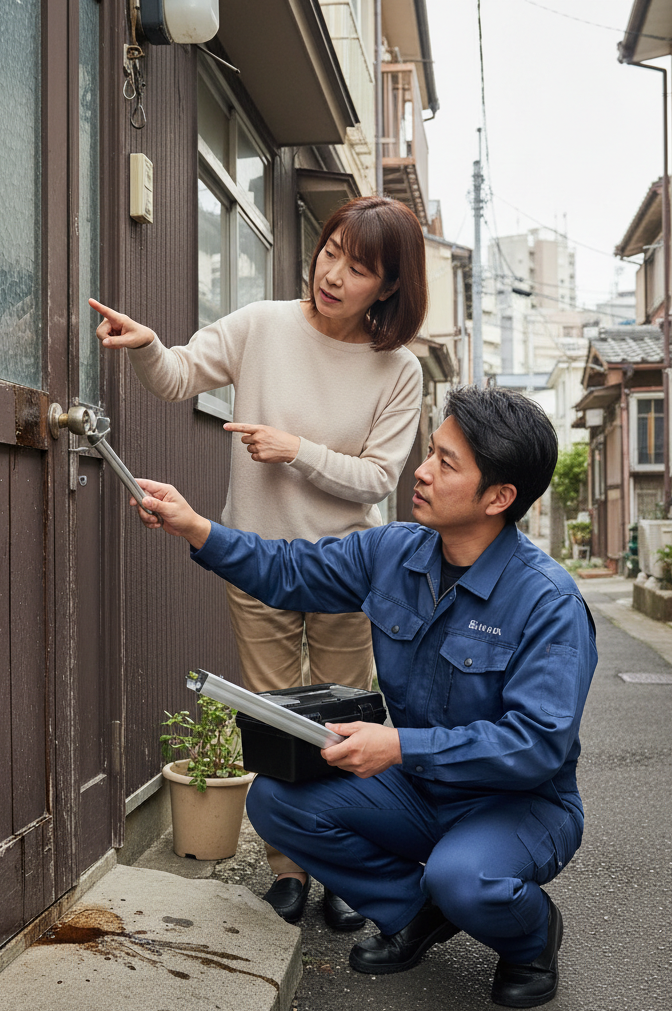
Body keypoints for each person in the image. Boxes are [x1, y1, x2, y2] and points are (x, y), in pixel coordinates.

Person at [126, 385, 597, 1009]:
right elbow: (288, 570)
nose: (421, 472)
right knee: (278, 800)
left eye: (446, 463)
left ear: (499, 498)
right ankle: (415, 909)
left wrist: (399, 745)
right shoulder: (393, 550)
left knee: (468, 878)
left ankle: (531, 938)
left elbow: (534, 745)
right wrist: (197, 529)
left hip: (518, 804)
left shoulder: (548, 603)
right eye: (430, 453)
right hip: (421, 789)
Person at [89, 196, 427, 930]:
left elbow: (377, 479)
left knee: (341, 724)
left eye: (358, 267)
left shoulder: (398, 369)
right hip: (257, 560)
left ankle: (341, 865)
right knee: (274, 722)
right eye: (330, 250)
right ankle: (288, 873)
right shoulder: (263, 323)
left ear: (390, 286)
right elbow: (178, 375)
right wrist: (148, 344)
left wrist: (293, 450)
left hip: (348, 568)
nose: (332, 273)